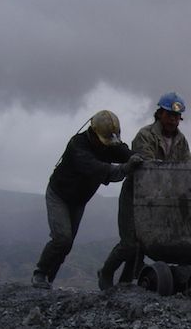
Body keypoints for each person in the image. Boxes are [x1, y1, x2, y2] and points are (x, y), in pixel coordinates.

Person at [32, 110, 143, 289]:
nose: (107, 145)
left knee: (66, 245)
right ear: (93, 132)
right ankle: (40, 273)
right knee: (62, 239)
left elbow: (124, 152)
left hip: (79, 200)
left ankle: (47, 282)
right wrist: (126, 168)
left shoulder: (107, 142)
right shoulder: (78, 146)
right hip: (59, 195)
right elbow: (103, 170)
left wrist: (141, 160)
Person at [98, 92, 191, 289]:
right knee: (128, 243)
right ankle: (106, 273)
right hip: (136, 194)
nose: (173, 120)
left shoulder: (181, 140)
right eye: (169, 115)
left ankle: (125, 283)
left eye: (176, 117)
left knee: (143, 244)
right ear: (160, 114)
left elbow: (188, 165)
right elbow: (149, 168)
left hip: (160, 198)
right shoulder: (145, 135)